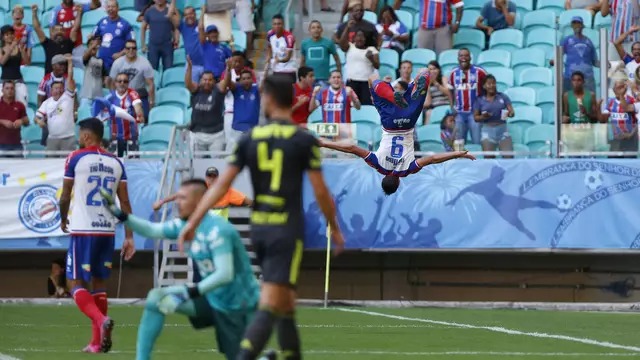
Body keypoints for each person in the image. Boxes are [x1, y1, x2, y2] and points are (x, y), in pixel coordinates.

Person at [177, 74, 345, 360]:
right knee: (271, 302)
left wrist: (192, 222)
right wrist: (335, 228)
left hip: (260, 231)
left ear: (268, 98)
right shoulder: (303, 139)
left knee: (286, 302)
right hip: (286, 231)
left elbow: (220, 186)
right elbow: (320, 191)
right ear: (291, 100)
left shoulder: (249, 138)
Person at [99, 178, 259, 360]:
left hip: (237, 305)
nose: (177, 202)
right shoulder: (185, 225)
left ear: (199, 201)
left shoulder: (218, 230)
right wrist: (120, 214)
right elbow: (152, 230)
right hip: (212, 298)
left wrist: (189, 292)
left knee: (240, 357)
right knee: (156, 298)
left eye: (183, 198)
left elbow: (225, 274)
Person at [58, 117, 135, 353]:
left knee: (73, 282)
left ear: (87, 136)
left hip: (83, 229)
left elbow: (65, 195)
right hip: (107, 230)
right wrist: (129, 236)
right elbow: (124, 202)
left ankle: (101, 321)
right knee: (99, 284)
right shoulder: (116, 162)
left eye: (80, 134)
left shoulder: (75, 158)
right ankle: (96, 343)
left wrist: (63, 219)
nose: (79, 137)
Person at [153, 166, 253, 219]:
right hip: (204, 226)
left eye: (214, 176)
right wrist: (161, 202)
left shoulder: (226, 190)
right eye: (210, 176)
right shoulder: (200, 187)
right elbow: (179, 195)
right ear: (206, 177)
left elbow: (246, 200)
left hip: (220, 229)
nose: (212, 179)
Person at [35, 54, 77, 154]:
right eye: (60, 64)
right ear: (53, 66)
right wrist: (43, 118)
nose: (63, 66)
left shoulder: (67, 81)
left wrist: (74, 112)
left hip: (66, 123)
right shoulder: (46, 79)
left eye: (64, 64)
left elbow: (74, 98)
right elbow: (40, 99)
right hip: (50, 114)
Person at [472, 74, 515, 157]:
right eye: (489, 83)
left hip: (503, 131)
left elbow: (512, 112)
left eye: (493, 83)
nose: (492, 85)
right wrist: (483, 117)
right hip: (487, 132)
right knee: (489, 159)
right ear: (484, 86)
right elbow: (476, 118)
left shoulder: (503, 97)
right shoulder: (479, 100)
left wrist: (510, 114)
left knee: (509, 157)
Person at [300, 20, 341, 88]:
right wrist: (301, 76)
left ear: (321, 30)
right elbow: (302, 61)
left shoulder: (328, 43)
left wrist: (339, 73)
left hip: (324, 79)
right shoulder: (304, 43)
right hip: (309, 79)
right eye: (313, 28)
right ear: (309, 30)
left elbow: (337, 59)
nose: (316, 29)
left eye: (318, 27)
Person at [0, 25, 28, 107]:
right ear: (2, 37)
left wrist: (23, 51)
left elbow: (27, 62)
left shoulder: (19, 48)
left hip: (18, 81)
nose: (10, 36)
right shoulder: (1, 49)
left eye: (11, 34)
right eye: (7, 34)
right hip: (4, 82)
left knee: (22, 106)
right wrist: (12, 46)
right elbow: (2, 62)